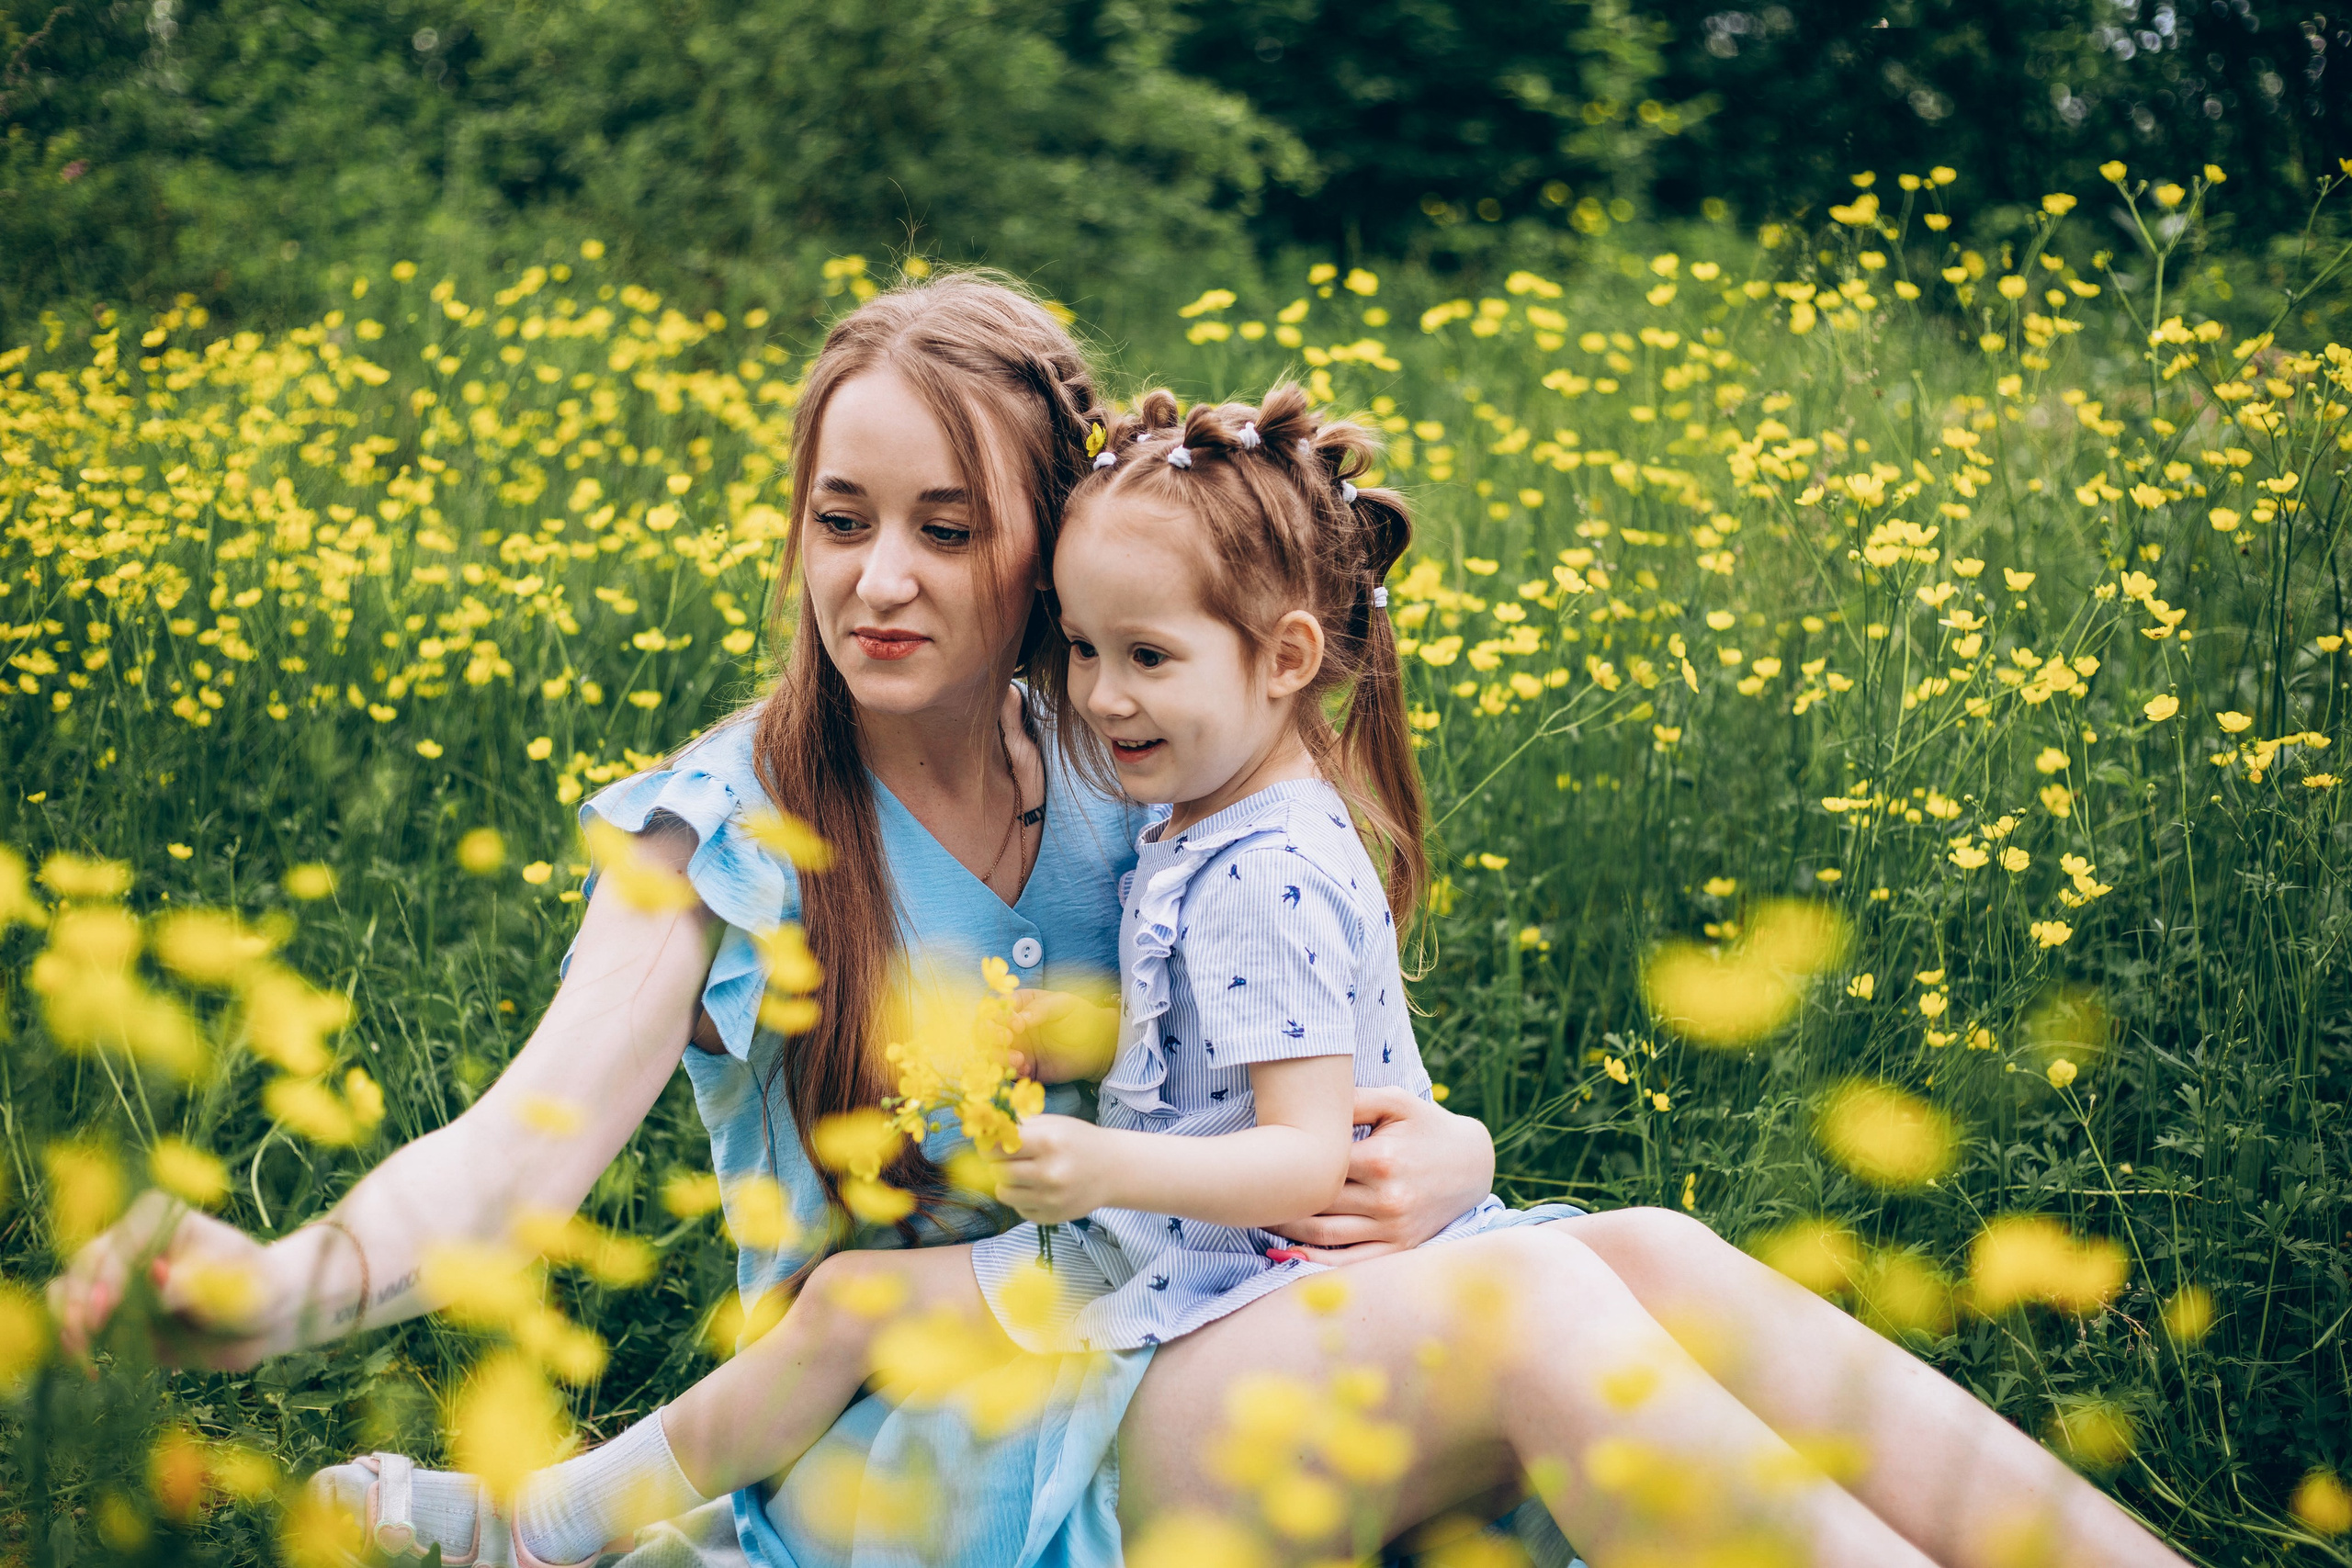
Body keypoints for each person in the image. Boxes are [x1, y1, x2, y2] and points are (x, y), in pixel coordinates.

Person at [49, 273, 2189, 1568]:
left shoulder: (1146, 763)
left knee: (1649, 1253)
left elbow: (1336, 1091)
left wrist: (1425, 1150)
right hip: (943, 1439)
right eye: (838, 518)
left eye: (945, 529)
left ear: (1051, 553)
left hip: (1176, 1339)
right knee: (1542, 1316)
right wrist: (265, 1290)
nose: (876, 577)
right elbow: (516, 1154)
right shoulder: (740, 821)